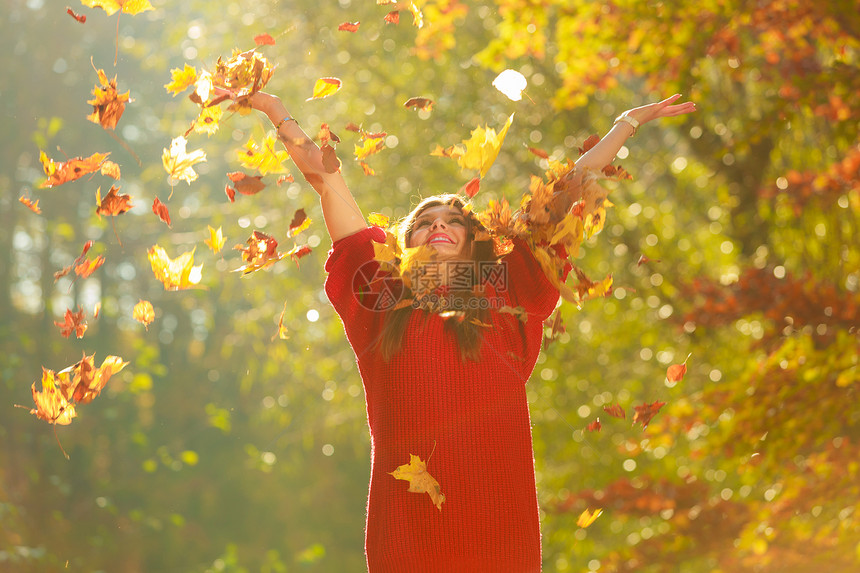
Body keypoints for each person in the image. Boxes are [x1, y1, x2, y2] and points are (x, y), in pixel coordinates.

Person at [230, 87, 694, 571]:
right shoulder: (382, 295)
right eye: (425, 221)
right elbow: (327, 179)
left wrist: (626, 122)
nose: (439, 225)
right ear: (406, 241)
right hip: (407, 522)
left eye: (454, 219)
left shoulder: (510, 284)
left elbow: (571, 187)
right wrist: (275, 108)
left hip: (499, 514)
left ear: (476, 239)